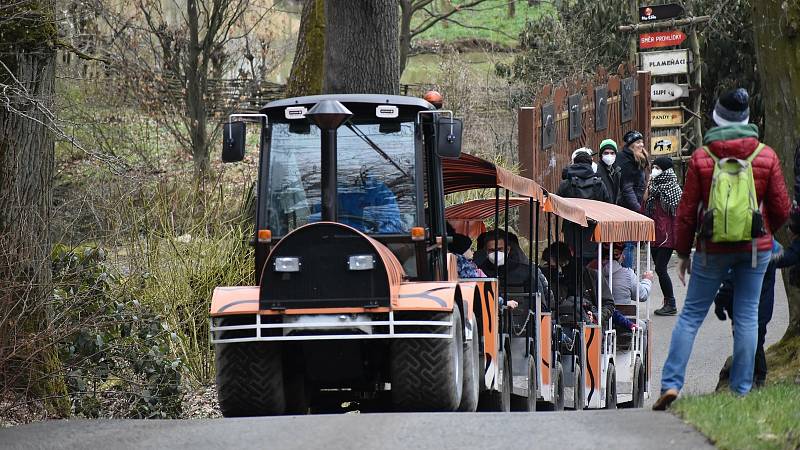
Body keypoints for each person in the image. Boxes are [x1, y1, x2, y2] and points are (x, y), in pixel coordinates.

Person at [654, 88, 790, 410]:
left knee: (689, 317)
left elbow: (686, 212)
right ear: (746, 119)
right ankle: (741, 391)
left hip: (711, 248)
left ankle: (671, 385)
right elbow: (782, 207)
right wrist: (765, 229)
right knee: (746, 316)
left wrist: (684, 254)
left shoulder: (703, 157)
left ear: (717, 117)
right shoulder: (765, 156)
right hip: (755, 249)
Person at [645, 156, 683, 316]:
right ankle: (668, 302)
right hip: (655, 236)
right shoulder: (653, 187)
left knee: (661, 268)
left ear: (666, 170)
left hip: (667, 237)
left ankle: (671, 302)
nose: (655, 171)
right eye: (654, 167)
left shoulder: (674, 190)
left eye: (658, 168)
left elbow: (680, 217)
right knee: (660, 269)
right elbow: (644, 204)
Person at [557, 148, 610, 263]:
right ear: (591, 165)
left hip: (571, 231)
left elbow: (556, 205)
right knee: (591, 266)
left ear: (574, 163)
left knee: (572, 264)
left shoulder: (566, 184)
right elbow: (608, 206)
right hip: (593, 232)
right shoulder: (599, 184)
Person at [617, 130, 649, 268]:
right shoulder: (627, 161)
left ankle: (628, 272)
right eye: (637, 142)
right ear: (630, 145)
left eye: (641, 141)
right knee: (628, 243)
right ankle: (628, 272)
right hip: (628, 207)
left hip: (635, 204)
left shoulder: (637, 158)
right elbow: (627, 189)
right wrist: (637, 208)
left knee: (631, 243)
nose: (641, 144)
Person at [597, 139, 622, 204]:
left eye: (612, 153)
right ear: (601, 155)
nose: (609, 155)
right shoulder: (597, 171)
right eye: (606, 153)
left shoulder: (617, 171)